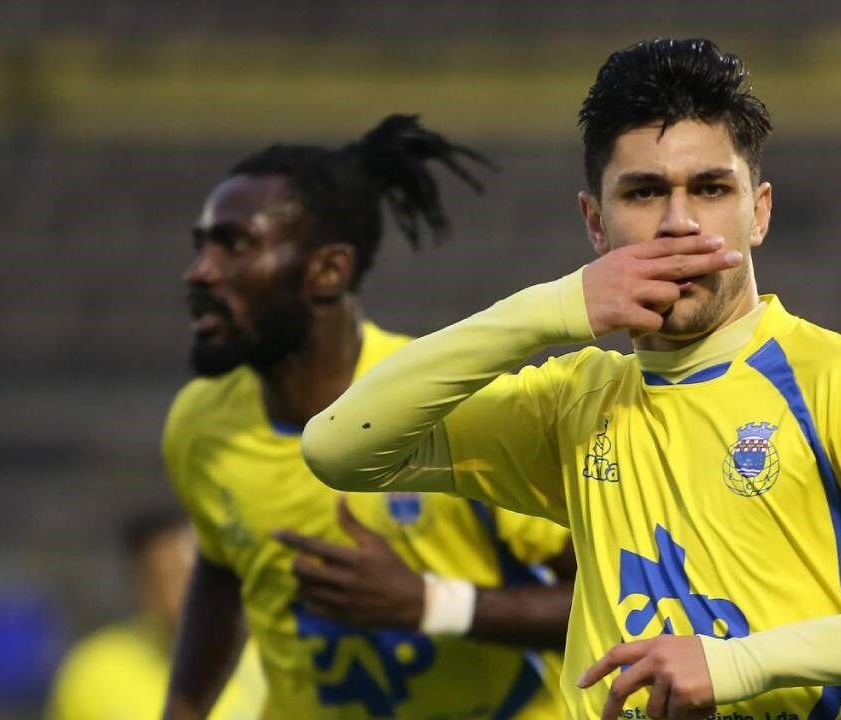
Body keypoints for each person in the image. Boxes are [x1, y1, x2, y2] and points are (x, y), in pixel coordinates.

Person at [300, 39, 841, 720]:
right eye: (643, 193)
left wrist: (739, 663)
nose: (679, 223)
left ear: (758, 212)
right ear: (594, 223)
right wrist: (549, 310)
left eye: (710, 188)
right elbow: (340, 446)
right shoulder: (573, 405)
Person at [162, 114, 575, 720]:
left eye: (235, 244)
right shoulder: (199, 424)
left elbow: (611, 596)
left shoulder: (446, 404)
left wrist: (431, 605)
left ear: (328, 271)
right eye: (202, 244)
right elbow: (221, 569)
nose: (200, 271)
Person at [47, 509, 265, 720]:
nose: (182, 596)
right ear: (142, 587)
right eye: (166, 580)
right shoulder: (93, 671)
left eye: (193, 580)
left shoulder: (265, 662)